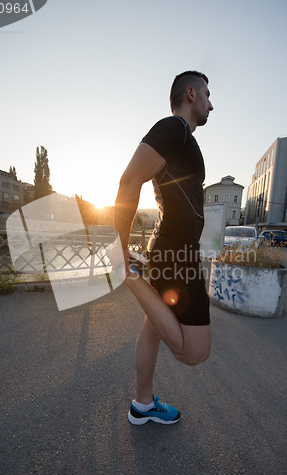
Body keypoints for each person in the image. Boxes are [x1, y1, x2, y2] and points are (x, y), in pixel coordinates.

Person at [112, 71, 214, 425]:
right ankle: (129, 275)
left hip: (173, 250)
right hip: (176, 254)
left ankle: (142, 405)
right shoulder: (175, 129)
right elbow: (129, 179)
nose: (211, 105)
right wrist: (120, 247)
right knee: (195, 351)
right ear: (191, 93)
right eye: (207, 95)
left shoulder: (181, 137)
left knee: (154, 327)